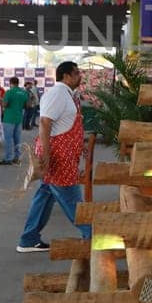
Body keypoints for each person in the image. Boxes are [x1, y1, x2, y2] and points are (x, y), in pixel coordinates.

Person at [17, 61, 90, 252]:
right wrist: (47, 156)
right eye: (76, 73)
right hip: (58, 157)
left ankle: (28, 239)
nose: (79, 76)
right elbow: (44, 123)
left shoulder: (68, 95)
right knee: (71, 199)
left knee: (44, 196)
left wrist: (79, 144)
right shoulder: (58, 93)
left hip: (64, 155)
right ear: (66, 76)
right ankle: (92, 236)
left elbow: (65, 124)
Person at [0, 76, 28, 165]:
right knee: (17, 139)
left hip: (9, 118)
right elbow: (27, 105)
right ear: (18, 83)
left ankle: (8, 158)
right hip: (18, 118)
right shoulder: (23, 92)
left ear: (10, 83)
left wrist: (1, 100)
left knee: (8, 139)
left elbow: (5, 104)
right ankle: (17, 158)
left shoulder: (9, 92)